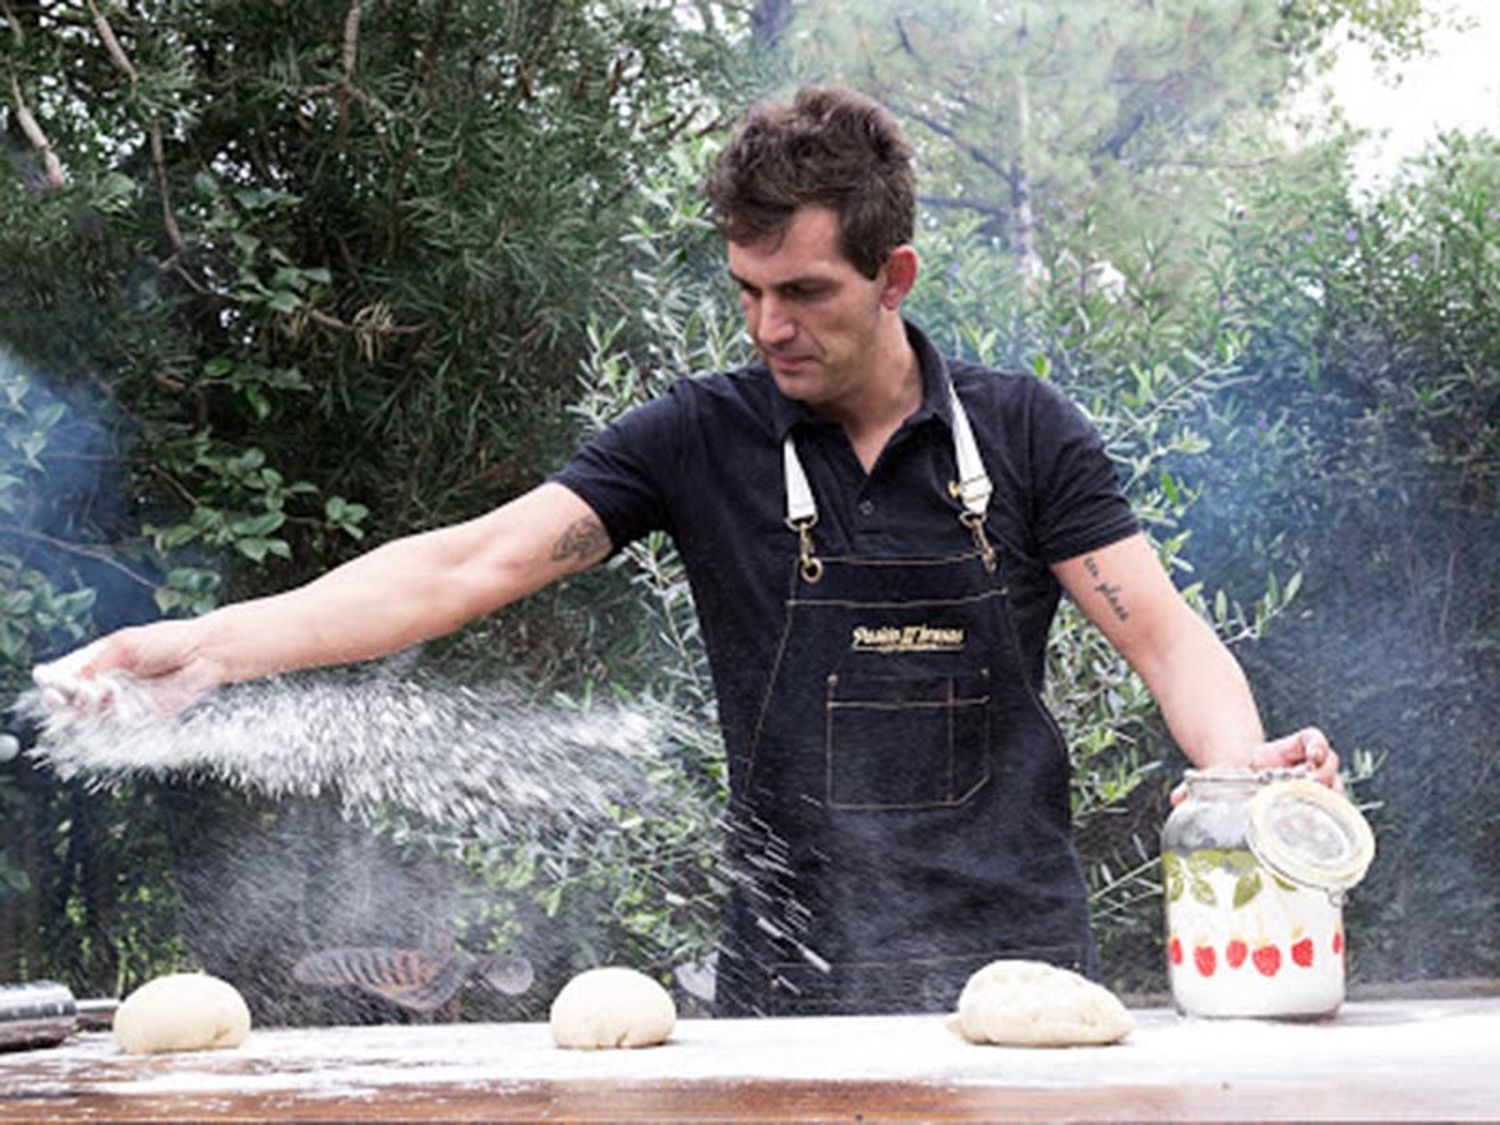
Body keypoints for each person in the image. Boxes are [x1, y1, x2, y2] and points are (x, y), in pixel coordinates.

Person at [40, 86, 1340, 1017]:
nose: (769, 326)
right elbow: (459, 568)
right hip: (794, 975)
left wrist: (1240, 776)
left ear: (895, 275)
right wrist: (204, 648)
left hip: (1026, 972)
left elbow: (1163, 631)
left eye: (807, 293)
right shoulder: (696, 439)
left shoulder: (1024, 433)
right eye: (746, 291)